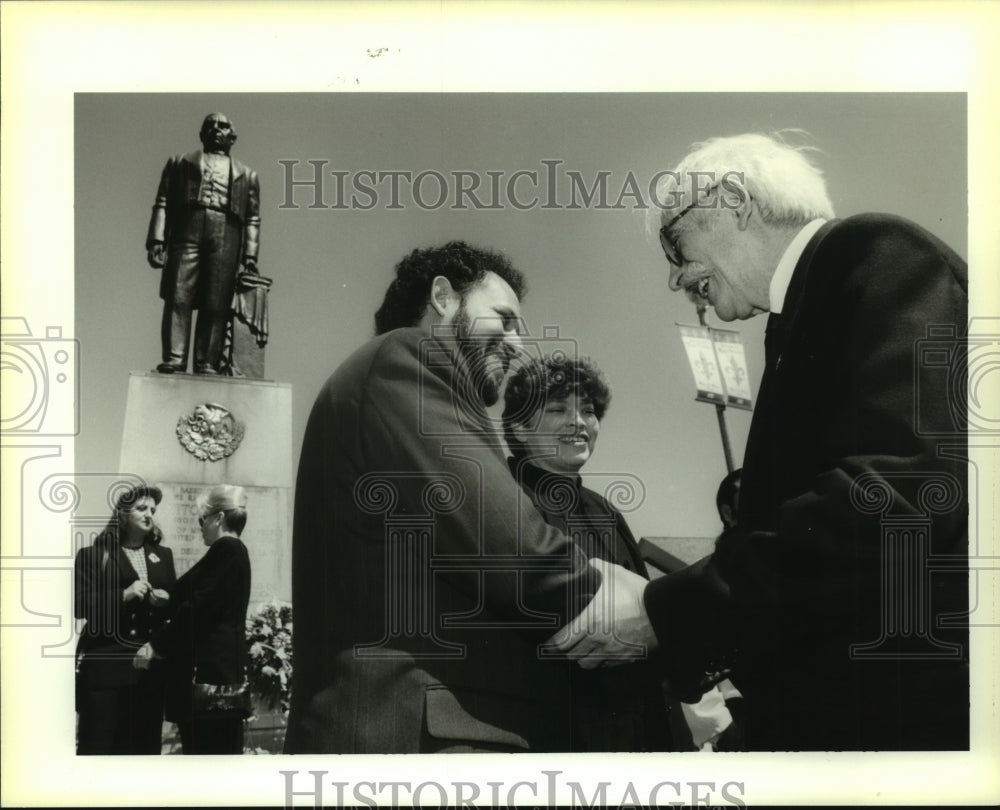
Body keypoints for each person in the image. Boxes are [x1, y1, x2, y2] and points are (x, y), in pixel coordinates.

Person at [553, 132, 969, 751]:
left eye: (676, 245)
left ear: (733, 203)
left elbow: (897, 497)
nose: (674, 279)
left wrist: (670, 612)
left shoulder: (876, 253)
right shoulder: (798, 314)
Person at [285, 241, 642, 754]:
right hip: (419, 741)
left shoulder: (401, 385)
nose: (521, 344)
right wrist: (653, 611)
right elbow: (519, 554)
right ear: (443, 296)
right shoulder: (405, 356)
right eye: (505, 318)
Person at [501, 353, 673, 751]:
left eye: (589, 411)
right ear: (520, 428)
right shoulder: (500, 495)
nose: (579, 422)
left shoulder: (607, 510)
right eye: (558, 408)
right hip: (548, 730)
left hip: (637, 728)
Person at [136, 484, 252, 754]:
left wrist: (156, 645)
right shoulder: (230, 552)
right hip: (212, 683)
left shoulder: (228, 550)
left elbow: (199, 610)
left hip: (210, 686)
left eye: (202, 519)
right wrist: (170, 600)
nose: (200, 526)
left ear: (219, 518)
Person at [145, 113, 261, 375]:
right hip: (188, 227)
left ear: (232, 137)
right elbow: (162, 201)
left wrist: (250, 256)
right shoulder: (179, 163)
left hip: (227, 232)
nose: (216, 129)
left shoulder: (248, 175)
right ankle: (174, 358)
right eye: (210, 125)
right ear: (201, 133)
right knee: (178, 295)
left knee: (216, 301)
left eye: (223, 126)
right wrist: (157, 239)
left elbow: (253, 217)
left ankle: (206, 362)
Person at [74, 483, 175, 754]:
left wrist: (165, 601)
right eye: (141, 508)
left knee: (143, 754)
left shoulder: (163, 556)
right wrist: (123, 595)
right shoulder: (93, 556)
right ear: (122, 514)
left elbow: (173, 611)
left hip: (147, 674)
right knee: (100, 752)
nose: (149, 514)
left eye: (153, 510)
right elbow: (80, 605)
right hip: (106, 673)